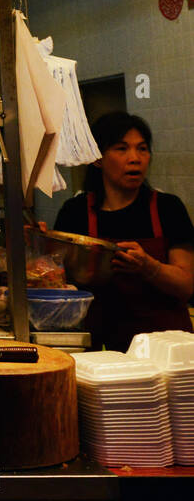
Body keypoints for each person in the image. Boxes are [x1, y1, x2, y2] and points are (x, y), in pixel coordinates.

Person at [53, 112, 194, 351]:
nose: (135, 158)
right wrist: (40, 245)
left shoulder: (167, 208)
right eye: (121, 149)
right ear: (98, 159)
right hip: (97, 349)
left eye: (142, 149)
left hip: (164, 351)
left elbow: (186, 285)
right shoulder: (75, 212)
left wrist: (148, 267)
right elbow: (56, 282)